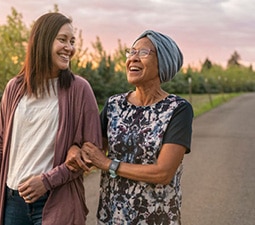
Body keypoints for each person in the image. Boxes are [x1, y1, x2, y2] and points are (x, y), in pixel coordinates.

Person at [0, 12, 102, 225]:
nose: (69, 48)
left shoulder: (79, 89)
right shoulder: (14, 88)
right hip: (13, 202)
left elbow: (92, 151)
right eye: (62, 40)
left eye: (72, 42)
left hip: (56, 200)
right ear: (42, 40)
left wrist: (47, 181)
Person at [80, 30, 193, 224]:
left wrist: (108, 164)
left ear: (163, 63)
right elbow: (92, 151)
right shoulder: (114, 105)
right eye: (131, 52)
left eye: (143, 53)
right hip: (111, 217)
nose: (133, 58)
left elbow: (163, 173)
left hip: (157, 218)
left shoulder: (178, 110)